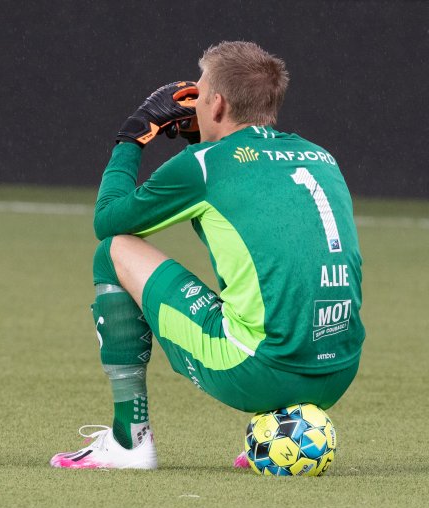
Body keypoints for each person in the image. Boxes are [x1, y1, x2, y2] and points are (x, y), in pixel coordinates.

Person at [50, 41, 365, 470]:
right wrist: (208, 139)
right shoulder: (321, 157)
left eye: (199, 94)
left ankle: (130, 442)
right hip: (339, 372)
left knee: (114, 252)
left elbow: (108, 220)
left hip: (260, 372)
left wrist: (134, 133)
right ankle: (278, 431)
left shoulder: (202, 164)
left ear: (216, 104)